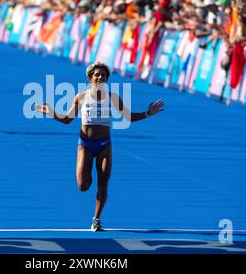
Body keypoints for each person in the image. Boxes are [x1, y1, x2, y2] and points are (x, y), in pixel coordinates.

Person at [35, 62, 165, 231]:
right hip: (85, 144)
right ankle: (88, 177)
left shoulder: (112, 97)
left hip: (104, 145)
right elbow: (67, 120)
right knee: (83, 186)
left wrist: (148, 113)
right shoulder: (81, 97)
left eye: (103, 76)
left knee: (103, 184)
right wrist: (51, 113)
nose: (100, 77)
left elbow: (128, 117)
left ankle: (96, 219)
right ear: (90, 78)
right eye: (97, 75)